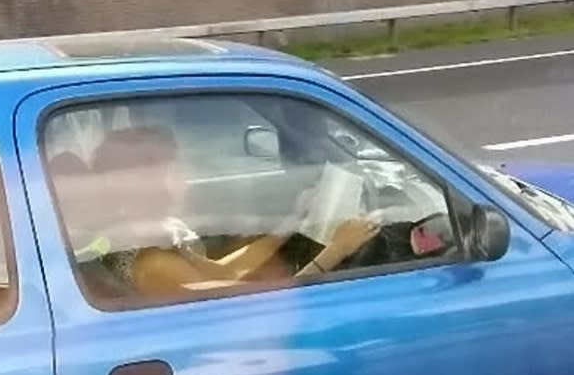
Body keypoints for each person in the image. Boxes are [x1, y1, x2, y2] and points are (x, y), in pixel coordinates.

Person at [60, 126, 382, 299]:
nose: (184, 178)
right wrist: (336, 250)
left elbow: (223, 274)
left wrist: (289, 224)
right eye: (175, 170)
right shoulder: (155, 265)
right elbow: (252, 307)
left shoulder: (142, 237)